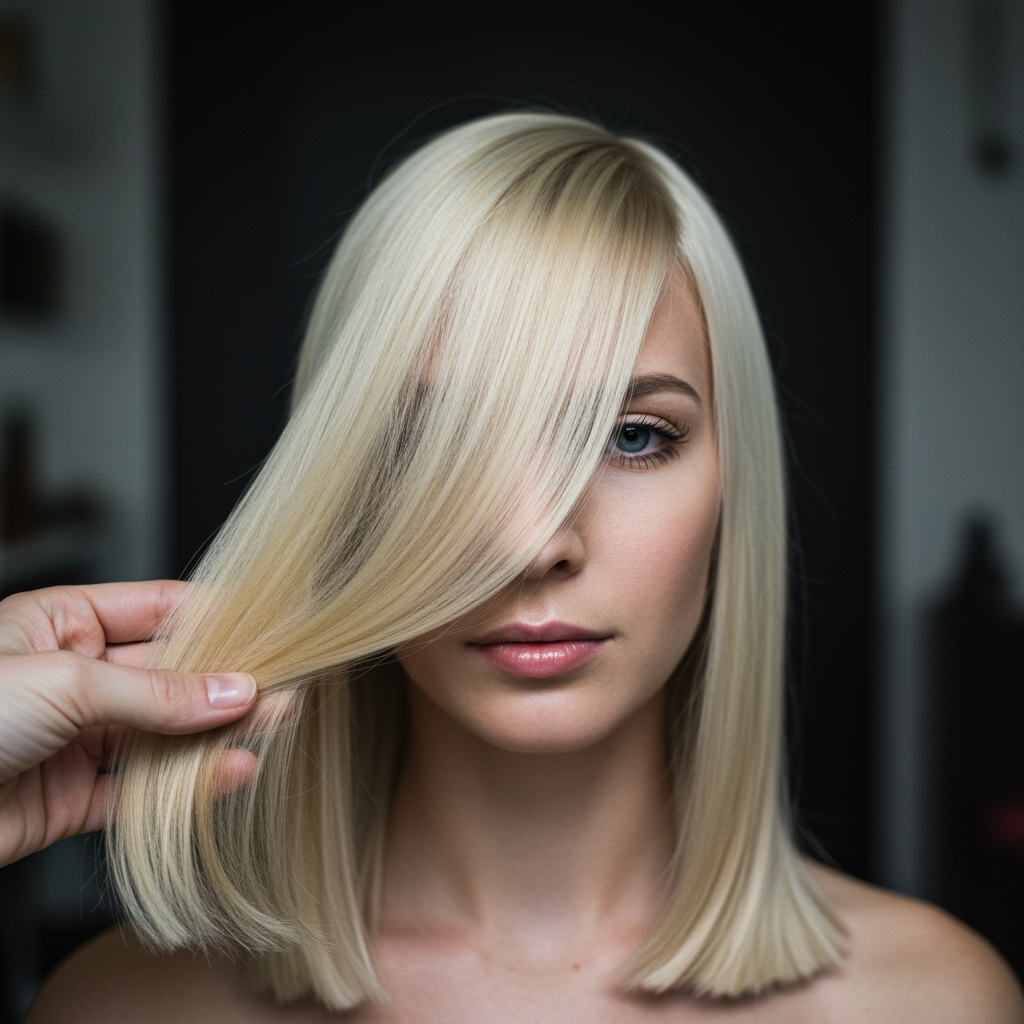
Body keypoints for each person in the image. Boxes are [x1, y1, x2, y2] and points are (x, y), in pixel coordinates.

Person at [2, 112, 1021, 1023]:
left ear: (731, 484)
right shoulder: (122, 1006)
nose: (537, 542)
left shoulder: (933, 1002)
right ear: (345, 490)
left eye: (631, 437)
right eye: (436, 444)